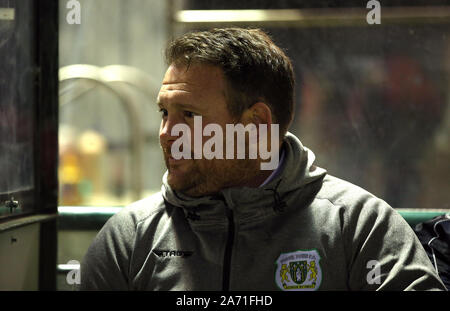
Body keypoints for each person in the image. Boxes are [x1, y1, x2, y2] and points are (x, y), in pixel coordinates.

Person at [79, 28, 446, 291]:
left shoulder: (358, 228)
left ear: (255, 124)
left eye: (188, 115)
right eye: (164, 113)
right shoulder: (129, 238)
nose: (166, 133)